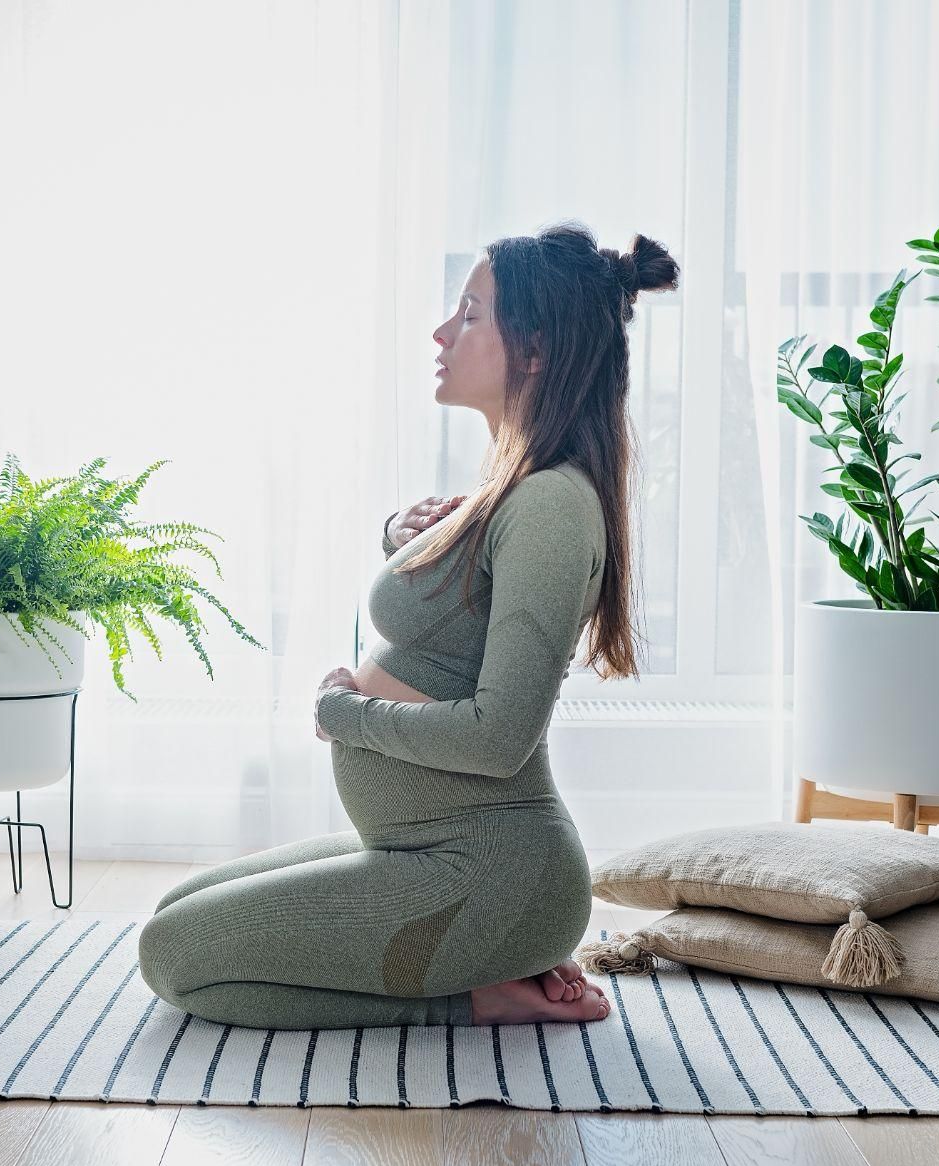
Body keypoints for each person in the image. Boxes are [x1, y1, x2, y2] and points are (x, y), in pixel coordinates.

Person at [137, 221, 679, 1029]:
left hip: (487, 870)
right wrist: (404, 533)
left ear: (533, 352)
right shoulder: (515, 490)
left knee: (172, 955)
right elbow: (452, 614)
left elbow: (500, 737)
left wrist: (347, 716)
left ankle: (471, 994)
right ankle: (473, 965)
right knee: (178, 905)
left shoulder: (553, 508)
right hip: (425, 849)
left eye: (469, 313)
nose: (441, 331)